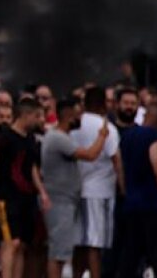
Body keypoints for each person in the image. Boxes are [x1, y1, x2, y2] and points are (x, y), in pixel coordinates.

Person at [41, 96, 109, 278]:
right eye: (78, 114)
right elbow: (90, 154)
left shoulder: (64, 137)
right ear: (69, 115)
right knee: (58, 252)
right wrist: (102, 136)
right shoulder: (58, 138)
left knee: (62, 250)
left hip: (67, 200)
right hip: (59, 201)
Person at [0, 98, 48, 278]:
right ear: (26, 115)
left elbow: (32, 167)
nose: (40, 120)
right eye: (37, 116)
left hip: (26, 198)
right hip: (6, 198)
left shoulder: (30, 138)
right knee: (10, 243)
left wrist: (42, 192)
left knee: (22, 245)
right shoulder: (5, 137)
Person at [117, 102, 157, 278]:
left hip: (132, 204)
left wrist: (124, 190)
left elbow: (119, 167)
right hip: (154, 205)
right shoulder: (156, 138)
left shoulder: (127, 136)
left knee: (130, 254)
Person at [73, 86, 121, 278]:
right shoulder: (107, 128)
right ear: (104, 105)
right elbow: (116, 160)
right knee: (95, 244)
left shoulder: (74, 125)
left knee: (78, 242)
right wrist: (123, 188)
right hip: (100, 192)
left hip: (76, 190)